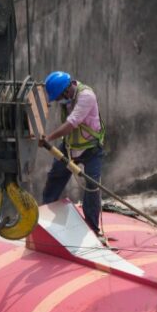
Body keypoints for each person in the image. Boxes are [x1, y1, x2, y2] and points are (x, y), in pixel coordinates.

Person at [38, 71, 106, 235]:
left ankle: (92, 228)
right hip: (70, 147)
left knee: (92, 186)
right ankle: (45, 222)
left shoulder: (86, 96)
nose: (58, 102)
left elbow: (71, 124)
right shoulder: (66, 97)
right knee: (55, 178)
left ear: (67, 90)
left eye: (59, 98)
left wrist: (49, 138)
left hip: (91, 148)